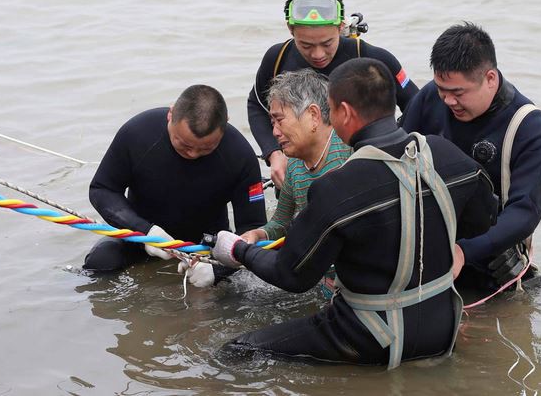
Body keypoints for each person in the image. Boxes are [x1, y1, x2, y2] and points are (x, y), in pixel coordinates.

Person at [211, 58, 497, 368]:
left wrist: (238, 249)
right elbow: (484, 219)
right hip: (442, 328)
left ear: (344, 113)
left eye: (331, 111)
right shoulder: (446, 154)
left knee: (240, 348)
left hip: (372, 337)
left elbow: (291, 275)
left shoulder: (337, 186)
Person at [400, 22, 541, 293]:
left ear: (490, 79)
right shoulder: (430, 97)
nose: (448, 101)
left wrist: (463, 251)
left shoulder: (530, 128)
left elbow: (525, 212)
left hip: (491, 263)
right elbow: (396, 155)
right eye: (442, 89)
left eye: (458, 93)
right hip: (429, 247)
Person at [182, 69, 352, 291]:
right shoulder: (294, 168)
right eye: (272, 122)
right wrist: (256, 234)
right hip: (323, 280)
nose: (274, 132)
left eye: (279, 120)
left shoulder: (350, 149)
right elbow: (280, 224)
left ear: (313, 115)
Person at [248, 0, 419, 190]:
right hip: (299, 177)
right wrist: (273, 153)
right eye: (306, 45)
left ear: (340, 27)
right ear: (290, 29)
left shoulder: (374, 59)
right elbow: (256, 105)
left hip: (364, 174)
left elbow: (417, 105)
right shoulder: (277, 58)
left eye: (327, 43)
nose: (318, 54)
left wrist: (394, 152)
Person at [84, 85, 267, 275]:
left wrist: (218, 271)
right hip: (141, 237)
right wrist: (145, 231)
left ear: (225, 125)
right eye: (184, 144)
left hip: (205, 246)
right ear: (171, 114)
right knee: (101, 261)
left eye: (206, 148)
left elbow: (253, 229)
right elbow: (102, 189)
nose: (193, 154)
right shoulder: (138, 133)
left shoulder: (241, 156)